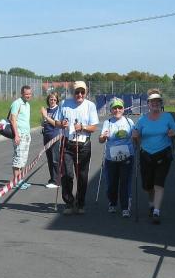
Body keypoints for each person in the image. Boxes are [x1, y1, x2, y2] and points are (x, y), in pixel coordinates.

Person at [132, 92, 175, 224]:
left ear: (161, 103)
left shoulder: (167, 117)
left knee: (159, 182)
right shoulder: (142, 119)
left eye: (158, 101)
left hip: (163, 154)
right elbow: (136, 136)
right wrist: (135, 137)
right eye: (152, 102)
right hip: (146, 154)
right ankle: (151, 203)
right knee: (148, 185)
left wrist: (173, 133)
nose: (155, 104)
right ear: (148, 104)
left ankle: (156, 211)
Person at [59, 80, 99, 214]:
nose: (80, 94)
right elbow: (58, 122)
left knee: (82, 176)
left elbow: (93, 127)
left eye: (82, 92)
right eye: (77, 92)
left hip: (83, 144)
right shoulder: (64, 103)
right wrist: (62, 123)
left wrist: (82, 127)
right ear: (73, 92)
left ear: (86, 92)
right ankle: (69, 203)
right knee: (67, 174)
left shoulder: (90, 105)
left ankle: (80, 202)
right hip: (68, 143)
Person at [99, 97, 135, 217]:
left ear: (123, 109)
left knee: (125, 182)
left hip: (127, 157)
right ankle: (112, 203)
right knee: (111, 183)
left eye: (120, 108)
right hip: (111, 158)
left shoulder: (129, 122)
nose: (117, 110)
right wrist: (103, 137)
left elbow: (136, 137)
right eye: (115, 108)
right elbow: (101, 139)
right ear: (111, 110)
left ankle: (125, 207)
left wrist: (136, 136)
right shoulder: (108, 122)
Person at [9, 85, 33, 189]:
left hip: (26, 135)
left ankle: (20, 180)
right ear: (22, 93)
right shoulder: (17, 103)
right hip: (19, 135)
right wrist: (16, 135)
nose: (28, 96)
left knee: (23, 160)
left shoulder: (27, 104)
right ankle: (16, 182)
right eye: (26, 94)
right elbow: (12, 119)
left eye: (30, 94)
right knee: (18, 159)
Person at [41, 91, 64, 188]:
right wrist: (43, 119)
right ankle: (52, 179)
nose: (53, 101)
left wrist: (46, 116)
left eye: (55, 99)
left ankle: (57, 181)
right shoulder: (46, 110)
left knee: (55, 159)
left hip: (55, 136)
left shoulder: (58, 109)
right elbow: (43, 123)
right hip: (46, 136)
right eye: (51, 99)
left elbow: (55, 123)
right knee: (49, 159)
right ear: (48, 100)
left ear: (57, 100)